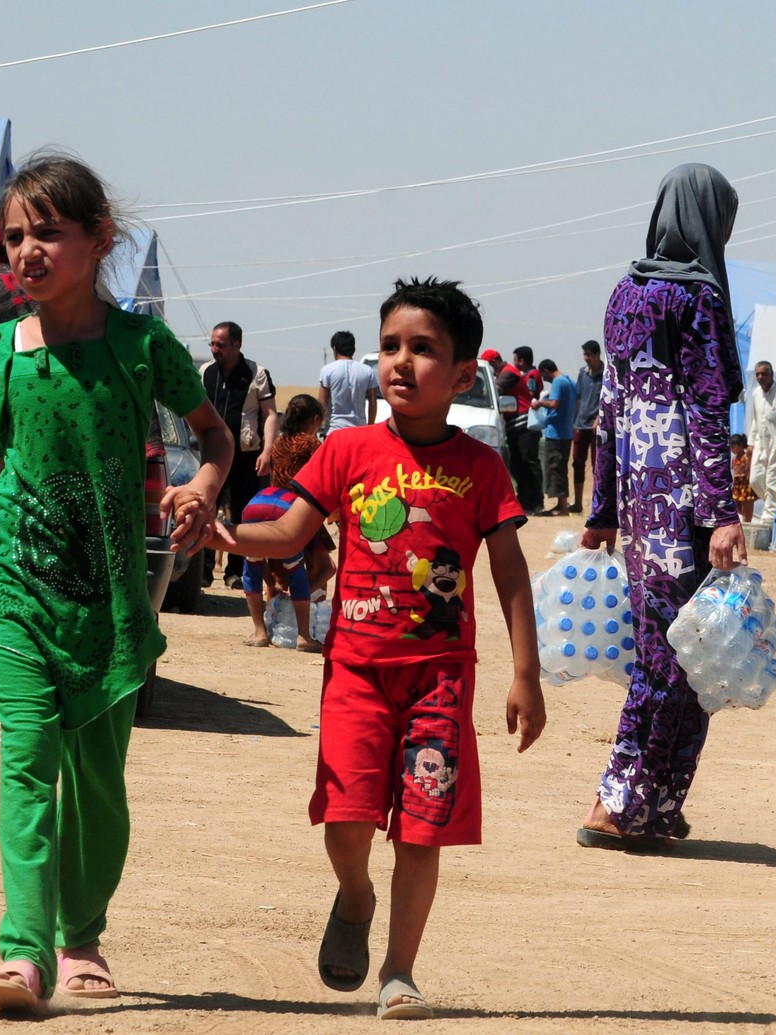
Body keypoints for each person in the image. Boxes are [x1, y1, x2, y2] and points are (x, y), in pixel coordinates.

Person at [198, 277, 546, 1018]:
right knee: (348, 818)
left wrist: (526, 676)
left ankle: (399, 970)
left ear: (459, 375)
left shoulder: (482, 469)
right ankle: (354, 895)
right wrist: (230, 536)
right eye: (390, 345)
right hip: (355, 671)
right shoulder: (348, 450)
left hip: (440, 680)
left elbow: (510, 571)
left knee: (422, 827)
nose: (400, 361)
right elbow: (292, 532)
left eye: (423, 349)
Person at [0, 152, 233, 1012]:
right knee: (28, 757)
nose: (27, 251)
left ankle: (83, 933)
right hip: (14, 582)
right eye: (14, 237)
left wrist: (200, 485)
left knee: (98, 782)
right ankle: (24, 952)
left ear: (99, 239)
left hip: (114, 594)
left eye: (48, 232)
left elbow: (215, 437)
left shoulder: (141, 348)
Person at [578, 163, 746, 850]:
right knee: (680, 656)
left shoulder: (625, 292)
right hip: (686, 504)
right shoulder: (699, 298)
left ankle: (656, 804)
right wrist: (723, 510)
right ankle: (617, 802)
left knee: (672, 651)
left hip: (642, 504)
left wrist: (602, 508)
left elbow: (610, 408)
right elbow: (707, 409)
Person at [239, 394, 329, 652]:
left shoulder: (278, 443)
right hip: (294, 512)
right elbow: (324, 479)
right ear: (314, 420)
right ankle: (303, 635)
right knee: (299, 569)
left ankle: (260, 631)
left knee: (254, 567)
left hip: (260, 504)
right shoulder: (312, 443)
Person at [201, 320, 278, 588]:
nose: (214, 349)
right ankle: (204, 569)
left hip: (246, 456)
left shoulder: (257, 374)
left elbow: (269, 414)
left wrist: (267, 450)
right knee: (206, 508)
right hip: (212, 455)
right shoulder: (205, 373)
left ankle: (235, 572)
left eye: (220, 345)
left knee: (242, 515)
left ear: (236, 344)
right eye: (211, 343)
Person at [491, 345, 543, 513]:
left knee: (527, 462)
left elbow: (496, 389)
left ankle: (535, 502)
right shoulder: (506, 372)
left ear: (494, 362)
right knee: (518, 464)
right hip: (515, 426)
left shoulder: (508, 373)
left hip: (523, 425)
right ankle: (525, 500)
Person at [746, 360, 776, 525]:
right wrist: (751, 443)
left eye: (764, 374)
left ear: (771, 374)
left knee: (773, 480)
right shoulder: (755, 394)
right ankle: (772, 503)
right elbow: (755, 419)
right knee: (755, 479)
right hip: (760, 443)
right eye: (758, 374)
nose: (760, 377)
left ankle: (769, 517)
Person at [531, 357, 576, 517]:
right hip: (566, 432)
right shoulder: (569, 382)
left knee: (555, 468)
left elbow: (555, 404)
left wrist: (540, 403)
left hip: (556, 433)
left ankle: (562, 508)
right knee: (560, 468)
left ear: (546, 371)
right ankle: (560, 505)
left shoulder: (558, 382)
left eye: (543, 376)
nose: (544, 379)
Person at [317, 329, 378, 436]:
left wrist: (318, 426)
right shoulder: (367, 371)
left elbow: (322, 403)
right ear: (353, 348)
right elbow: (373, 403)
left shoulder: (327, 370)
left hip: (334, 431)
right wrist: (370, 426)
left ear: (334, 348)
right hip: (359, 431)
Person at [570, 340, 604, 514]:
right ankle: (577, 502)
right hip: (580, 424)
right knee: (577, 463)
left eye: (589, 355)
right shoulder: (582, 373)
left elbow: (609, 399)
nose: (586, 358)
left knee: (597, 465)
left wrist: (599, 418)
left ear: (597, 355)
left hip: (597, 426)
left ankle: (596, 505)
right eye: (584, 354)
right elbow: (578, 397)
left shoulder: (606, 374)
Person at [730, 433, 756, 523]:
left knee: (747, 506)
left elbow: (749, 469)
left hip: (745, 483)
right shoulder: (734, 458)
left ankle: (747, 521)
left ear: (741, 446)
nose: (732, 450)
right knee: (737, 507)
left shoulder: (746, 457)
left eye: (733, 447)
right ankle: (744, 520)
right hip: (737, 485)